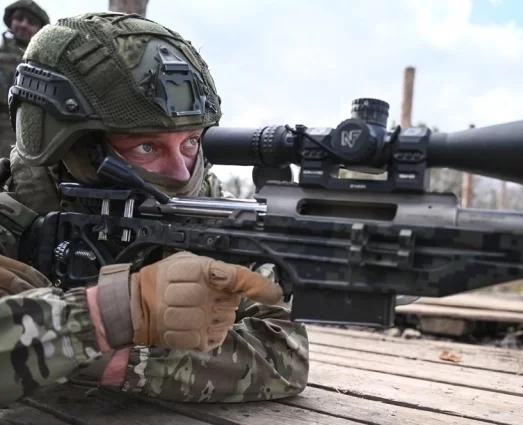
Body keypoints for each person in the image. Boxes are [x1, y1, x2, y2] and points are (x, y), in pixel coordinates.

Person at [0, 12, 309, 406]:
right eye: (146, 146)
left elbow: (284, 353)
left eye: (191, 142)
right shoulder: (13, 222)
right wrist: (106, 314)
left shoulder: (205, 211)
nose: (181, 172)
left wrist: (105, 353)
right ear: (70, 147)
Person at [0, 0, 48, 159]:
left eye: (31, 22)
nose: (23, 25)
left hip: (28, 130)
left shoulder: (45, 63)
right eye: (19, 18)